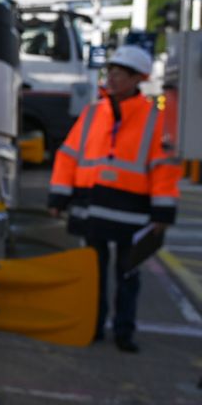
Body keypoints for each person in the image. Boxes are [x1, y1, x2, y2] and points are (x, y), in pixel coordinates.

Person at [47, 45, 182, 353]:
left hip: (132, 212)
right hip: (92, 206)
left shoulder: (153, 118)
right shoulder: (93, 112)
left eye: (120, 74)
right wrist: (58, 196)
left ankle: (124, 331)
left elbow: (163, 168)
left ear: (138, 78)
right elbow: (68, 156)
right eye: (111, 72)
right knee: (93, 273)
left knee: (128, 274)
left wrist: (163, 213)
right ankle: (92, 326)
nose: (113, 78)